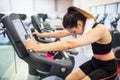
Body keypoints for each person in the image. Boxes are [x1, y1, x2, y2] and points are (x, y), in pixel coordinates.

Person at [25, 6, 118, 80]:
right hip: (94, 62)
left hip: (107, 67)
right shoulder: (84, 27)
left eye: (73, 31)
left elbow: (70, 44)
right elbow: (61, 33)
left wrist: (39, 47)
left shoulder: (99, 29)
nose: (73, 34)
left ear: (79, 24)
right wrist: (40, 35)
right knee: (69, 78)